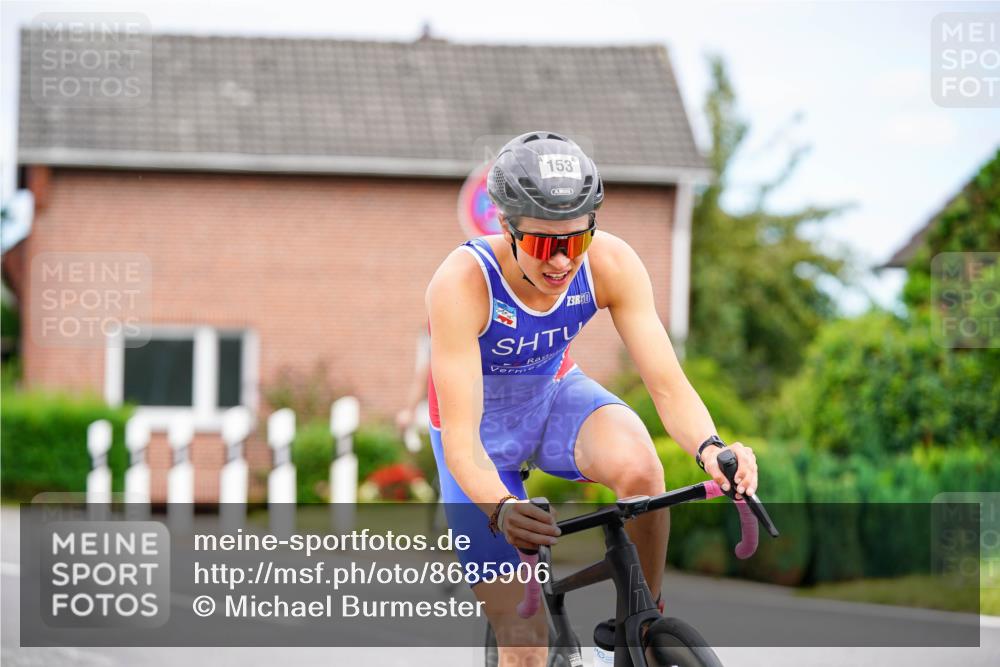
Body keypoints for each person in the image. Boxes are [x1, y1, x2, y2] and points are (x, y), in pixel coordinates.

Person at [425, 131, 759, 665]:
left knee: (643, 470)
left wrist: (711, 448)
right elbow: (463, 446)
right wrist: (502, 507)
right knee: (525, 641)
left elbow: (668, 385)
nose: (561, 262)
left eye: (575, 241)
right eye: (542, 244)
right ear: (506, 227)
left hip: (553, 398)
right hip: (479, 439)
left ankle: (641, 624)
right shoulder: (463, 284)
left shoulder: (611, 264)